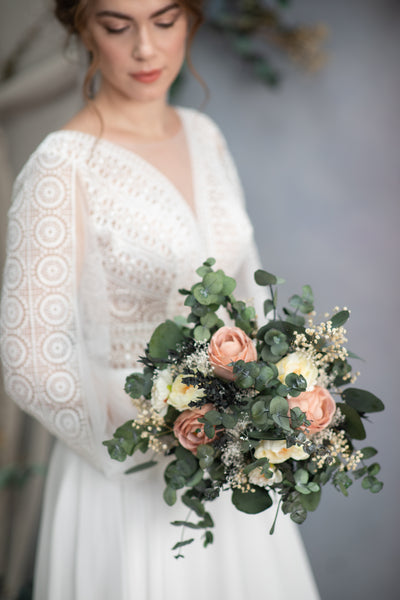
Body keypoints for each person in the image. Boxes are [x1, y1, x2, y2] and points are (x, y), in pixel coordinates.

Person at [0, 1, 321, 598]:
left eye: (164, 21)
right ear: (83, 28)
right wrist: (169, 424)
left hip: (233, 472)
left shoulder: (205, 136)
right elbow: (28, 361)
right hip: (123, 481)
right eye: (118, 26)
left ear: (192, 21)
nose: (145, 48)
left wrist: (277, 395)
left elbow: (249, 300)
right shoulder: (60, 165)